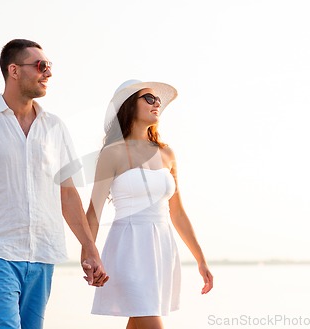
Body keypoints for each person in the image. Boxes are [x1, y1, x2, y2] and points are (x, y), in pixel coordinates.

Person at [0, 39, 108, 329]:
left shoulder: (55, 126)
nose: (48, 73)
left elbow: (67, 192)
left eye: (49, 67)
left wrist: (89, 247)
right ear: (14, 71)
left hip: (44, 253)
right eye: (41, 66)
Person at [86, 79, 214, 329]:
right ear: (128, 105)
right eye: (149, 98)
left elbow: (177, 212)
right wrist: (89, 255)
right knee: (149, 319)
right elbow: (94, 212)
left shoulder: (167, 154)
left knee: (139, 320)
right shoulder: (112, 153)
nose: (156, 104)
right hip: (127, 248)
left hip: (161, 249)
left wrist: (200, 259)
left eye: (157, 100)